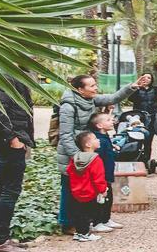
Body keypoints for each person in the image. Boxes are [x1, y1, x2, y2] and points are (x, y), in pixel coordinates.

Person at [56, 74, 141, 230]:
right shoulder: (68, 106)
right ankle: (67, 224)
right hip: (73, 153)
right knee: (69, 188)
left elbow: (112, 98)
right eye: (92, 86)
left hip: (86, 148)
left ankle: (84, 222)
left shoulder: (90, 99)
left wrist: (131, 87)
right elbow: (65, 135)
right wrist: (78, 157)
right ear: (80, 89)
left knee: (84, 188)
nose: (96, 88)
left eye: (95, 84)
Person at [0, 78, 35, 252]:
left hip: (7, 141)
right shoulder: (6, 77)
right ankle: (1, 242)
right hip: (8, 143)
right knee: (9, 190)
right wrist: (12, 138)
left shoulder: (10, 77)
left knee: (1, 188)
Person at [67, 131, 108, 242]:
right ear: (88, 144)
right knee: (88, 213)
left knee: (78, 213)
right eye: (95, 138)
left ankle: (79, 232)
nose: (98, 140)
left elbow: (69, 171)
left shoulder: (76, 158)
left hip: (76, 191)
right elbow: (98, 178)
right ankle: (85, 233)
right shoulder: (95, 159)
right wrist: (103, 190)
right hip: (90, 192)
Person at [89, 113, 123, 234]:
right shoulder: (98, 141)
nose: (112, 121)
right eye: (108, 120)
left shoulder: (105, 137)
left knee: (108, 198)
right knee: (100, 199)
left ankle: (105, 219)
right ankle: (96, 222)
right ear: (99, 125)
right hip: (101, 175)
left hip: (108, 173)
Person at [130, 62, 157, 162]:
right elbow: (130, 98)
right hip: (140, 119)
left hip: (153, 118)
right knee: (140, 140)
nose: (146, 79)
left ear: (151, 80)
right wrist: (136, 87)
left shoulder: (155, 90)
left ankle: (149, 160)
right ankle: (139, 159)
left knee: (151, 140)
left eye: (149, 78)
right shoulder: (136, 90)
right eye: (144, 77)